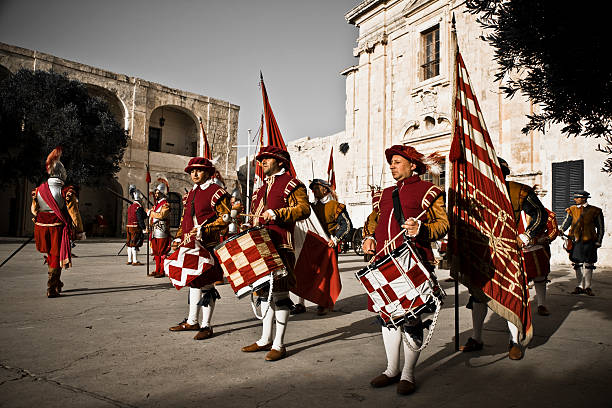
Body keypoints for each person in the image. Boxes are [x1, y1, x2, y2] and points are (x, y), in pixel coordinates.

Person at [362, 145, 449, 395]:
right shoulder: (384, 194)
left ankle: (408, 375)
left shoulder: (429, 192)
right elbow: (373, 220)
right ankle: (391, 370)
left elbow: (442, 224)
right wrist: (369, 236)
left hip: (413, 263)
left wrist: (421, 228)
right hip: (382, 263)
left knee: (411, 318)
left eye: (397, 162)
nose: (392, 166)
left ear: (412, 165)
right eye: (391, 162)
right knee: (387, 318)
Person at [460, 157, 547, 360]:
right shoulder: (474, 192)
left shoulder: (519, 190)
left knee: (511, 296)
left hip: (508, 253)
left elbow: (539, 214)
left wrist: (527, 235)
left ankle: (514, 341)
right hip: (481, 253)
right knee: (478, 296)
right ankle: (477, 337)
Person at [241, 145, 310, 361]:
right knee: (264, 294)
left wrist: (278, 213)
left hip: (281, 245)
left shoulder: (292, 184)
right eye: (261, 160)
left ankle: (279, 345)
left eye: (267, 159)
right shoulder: (261, 188)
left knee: (280, 295)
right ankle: (264, 340)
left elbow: (304, 209)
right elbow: (257, 215)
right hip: (260, 245)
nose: (262, 163)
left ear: (280, 161)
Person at [168, 157, 231, 340]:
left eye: (199, 170)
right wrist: (179, 237)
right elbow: (184, 220)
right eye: (192, 171)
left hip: (207, 246)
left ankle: (206, 325)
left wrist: (204, 228)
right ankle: (192, 320)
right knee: (193, 283)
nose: (194, 174)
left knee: (206, 286)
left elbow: (225, 219)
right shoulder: (190, 194)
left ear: (208, 172)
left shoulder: (217, 192)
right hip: (189, 245)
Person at [292, 179, 352, 316]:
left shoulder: (337, 206)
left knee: (326, 275)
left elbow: (347, 225)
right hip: (312, 244)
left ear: (325, 189)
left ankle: (323, 303)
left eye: (317, 188)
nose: (314, 191)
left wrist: (335, 239)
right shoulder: (310, 208)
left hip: (328, 246)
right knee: (305, 270)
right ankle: (301, 303)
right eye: (313, 189)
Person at [31, 147, 85, 298]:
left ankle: (57, 282)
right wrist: (79, 230)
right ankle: (51, 287)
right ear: (62, 173)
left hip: (41, 228)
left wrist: (40, 220)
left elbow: (34, 210)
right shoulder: (66, 191)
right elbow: (74, 213)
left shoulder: (38, 190)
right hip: (57, 228)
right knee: (56, 256)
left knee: (51, 255)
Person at [519, 202, 559, 316]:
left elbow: (554, 230)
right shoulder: (512, 212)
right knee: (519, 279)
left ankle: (541, 305)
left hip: (538, 250)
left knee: (540, 277)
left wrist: (546, 238)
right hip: (518, 251)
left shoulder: (544, 213)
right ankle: (521, 305)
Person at [561, 190, 604, 296]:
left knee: (589, 263)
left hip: (590, 241)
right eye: (575, 197)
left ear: (584, 198)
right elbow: (566, 223)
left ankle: (588, 287)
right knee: (577, 263)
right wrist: (560, 230)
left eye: (577, 197)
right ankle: (580, 286)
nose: (575, 199)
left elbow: (600, 227)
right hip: (576, 241)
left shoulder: (595, 210)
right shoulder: (571, 210)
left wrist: (599, 241)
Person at [148, 178, 171, 278]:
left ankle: (162, 270)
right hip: (155, 231)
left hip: (162, 230)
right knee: (156, 252)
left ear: (163, 193)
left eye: (158, 193)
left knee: (162, 252)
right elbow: (152, 218)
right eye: (156, 193)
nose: (156, 194)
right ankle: (157, 269)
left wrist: (150, 213)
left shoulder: (166, 204)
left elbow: (162, 215)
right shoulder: (156, 205)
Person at [126, 185, 147, 266]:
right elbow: (140, 218)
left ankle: (129, 260)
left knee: (129, 243)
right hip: (135, 227)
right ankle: (135, 261)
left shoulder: (131, 206)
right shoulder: (138, 207)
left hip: (128, 226)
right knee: (135, 243)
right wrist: (144, 228)